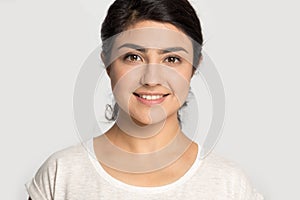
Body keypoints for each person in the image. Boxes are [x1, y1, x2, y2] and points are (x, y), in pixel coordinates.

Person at [25, 0, 263, 199]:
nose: (151, 79)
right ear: (108, 63)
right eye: (133, 57)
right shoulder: (61, 175)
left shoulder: (230, 186)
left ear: (194, 67)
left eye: (171, 59)